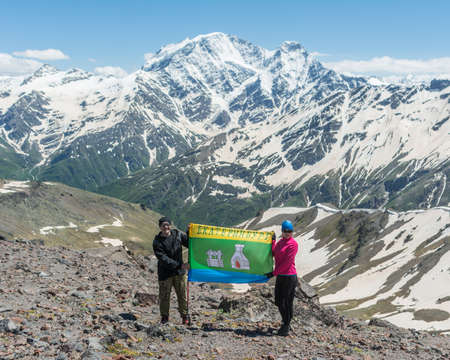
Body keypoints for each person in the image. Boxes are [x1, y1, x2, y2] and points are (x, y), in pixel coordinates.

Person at [152, 216, 190, 325]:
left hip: (179, 273)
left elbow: (189, 243)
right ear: (160, 227)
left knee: (182, 295)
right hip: (165, 273)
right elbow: (163, 258)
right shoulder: (157, 241)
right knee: (164, 296)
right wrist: (180, 266)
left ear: (170, 225)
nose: (165, 227)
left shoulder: (178, 234)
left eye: (167, 224)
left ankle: (185, 316)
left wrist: (189, 231)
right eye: (163, 225)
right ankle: (164, 317)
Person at [267, 220, 298, 336]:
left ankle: (286, 325)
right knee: (279, 301)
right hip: (281, 276)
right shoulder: (281, 242)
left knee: (286, 302)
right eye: (285, 231)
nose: (287, 233)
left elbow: (287, 263)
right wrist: (273, 241)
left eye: (289, 231)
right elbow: (275, 253)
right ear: (282, 231)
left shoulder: (293, 244)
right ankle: (286, 323)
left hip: (289, 277)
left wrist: (273, 273)